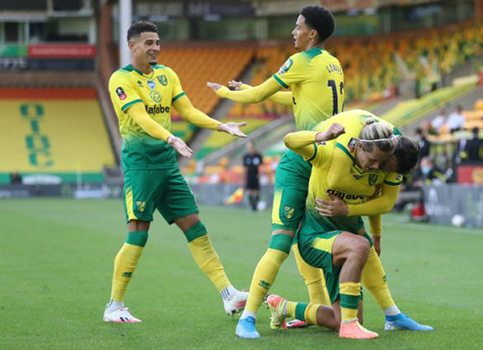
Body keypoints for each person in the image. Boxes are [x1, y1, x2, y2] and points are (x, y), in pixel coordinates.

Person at [207, 5, 346, 338]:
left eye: (297, 27)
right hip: (328, 162)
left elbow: (258, 96)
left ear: (312, 33)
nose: (293, 33)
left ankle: (248, 317)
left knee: (282, 243)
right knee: (328, 239)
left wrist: (226, 92)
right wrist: (246, 89)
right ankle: (362, 311)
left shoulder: (299, 61)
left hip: (301, 159)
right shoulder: (333, 63)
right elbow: (302, 96)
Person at [104, 21, 248, 323]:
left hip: (167, 165)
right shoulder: (121, 79)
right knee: (138, 234)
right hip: (141, 166)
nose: (155, 47)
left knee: (195, 226)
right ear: (132, 46)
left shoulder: (167, 75)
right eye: (148, 43)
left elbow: (190, 110)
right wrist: (170, 137)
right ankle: (114, 306)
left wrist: (221, 125)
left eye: (157, 42)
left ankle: (228, 294)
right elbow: (140, 117)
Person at [266, 121, 432, 339]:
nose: (378, 168)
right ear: (364, 148)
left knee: (339, 315)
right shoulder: (334, 156)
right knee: (361, 245)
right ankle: (355, 324)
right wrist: (321, 136)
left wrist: (375, 233)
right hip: (315, 236)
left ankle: (283, 307)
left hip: (341, 241)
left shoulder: (374, 170)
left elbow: (382, 204)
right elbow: (290, 142)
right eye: (377, 162)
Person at [243, 141, 262, 211]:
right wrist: (244, 176)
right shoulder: (246, 156)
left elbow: (261, 165)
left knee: (257, 191)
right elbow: (245, 167)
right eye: (248, 147)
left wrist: (260, 173)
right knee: (250, 191)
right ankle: (252, 206)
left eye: (250, 147)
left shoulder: (258, 156)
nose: (249, 148)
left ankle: (255, 205)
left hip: (256, 176)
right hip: (249, 176)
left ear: (253, 147)